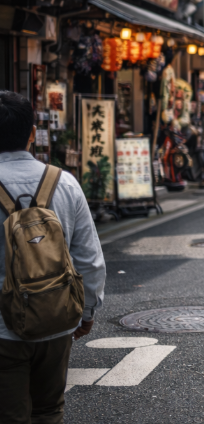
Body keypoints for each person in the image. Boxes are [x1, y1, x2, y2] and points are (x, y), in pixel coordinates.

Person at [0, 91, 106, 424]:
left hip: (2, 330)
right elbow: (89, 258)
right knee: (49, 410)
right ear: (32, 134)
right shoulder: (65, 183)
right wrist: (86, 311)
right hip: (56, 321)